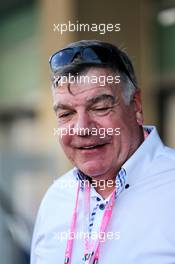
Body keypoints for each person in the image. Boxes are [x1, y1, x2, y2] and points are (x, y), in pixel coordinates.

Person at [30, 40, 175, 264]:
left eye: (100, 108)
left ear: (136, 105)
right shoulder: (55, 198)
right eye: (66, 114)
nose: (82, 128)